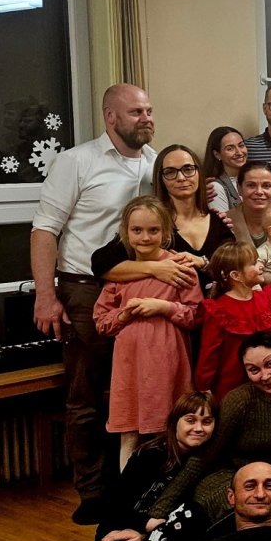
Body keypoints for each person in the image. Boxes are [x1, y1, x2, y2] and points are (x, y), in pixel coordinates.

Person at [31, 83, 158, 522]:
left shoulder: (155, 163)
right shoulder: (77, 161)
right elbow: (45, 229)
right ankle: (92, 491)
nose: (146, 118)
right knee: (87, 392)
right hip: (85, 287)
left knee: (137, 387)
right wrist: (46, 295)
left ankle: (135, 484)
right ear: (110, 117)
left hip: (141, 284)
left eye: (148, 110)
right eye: (136, 112)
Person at [6, 391, 217, 541]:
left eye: (206, 422)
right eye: (190, 420)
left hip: (161, 535)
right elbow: (113, 504)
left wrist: (152, 532)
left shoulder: (204, 463)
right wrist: (144, 525)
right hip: (123, 525)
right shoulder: (151, 455)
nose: (198, 428)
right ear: (175, 422)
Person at [148, 333, 271, 525]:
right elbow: (204, 457)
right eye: (254, 370)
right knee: (245, 504)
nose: (265, 376)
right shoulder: (239, 400)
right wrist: (160, 510)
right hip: (232, 474)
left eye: (270, 364)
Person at [93, 197, 203, 468]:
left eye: (153, 230)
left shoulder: (181, 268)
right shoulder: (119, 274)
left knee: (171, 430)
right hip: (130, 367)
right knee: (129, 432)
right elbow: (102, 322)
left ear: (165, 233)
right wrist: (125, 314)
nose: (145, 237)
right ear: (126, 233)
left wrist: (164, 307)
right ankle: (128, 489)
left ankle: (169, 487)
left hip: (168, 364)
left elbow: (196, 315)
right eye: (137, 230)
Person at [93, 143, 233, 290]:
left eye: (188, 169)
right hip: (163, 303)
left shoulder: (218, 222)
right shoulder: (152, 222)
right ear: (161, 179)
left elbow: (236, 269)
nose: (181, 177)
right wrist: (155, 268)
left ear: (199, 172)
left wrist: (203, 263)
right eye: (170, 172)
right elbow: (101, 264)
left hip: (215, 303)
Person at [195, 240, 271, 402]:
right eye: (254, 263)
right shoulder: (219, 310)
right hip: (232, 388)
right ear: (235, 275)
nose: (261, 265)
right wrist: (204, 387)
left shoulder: (266, 299)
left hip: (269, 382)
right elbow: (209, 354)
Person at [201, 126, 247, 213]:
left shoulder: (251, 178)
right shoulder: (215, 187)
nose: (239, 152)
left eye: (241, 145)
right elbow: (223, 221)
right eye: (230, 148)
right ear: (217, 154)